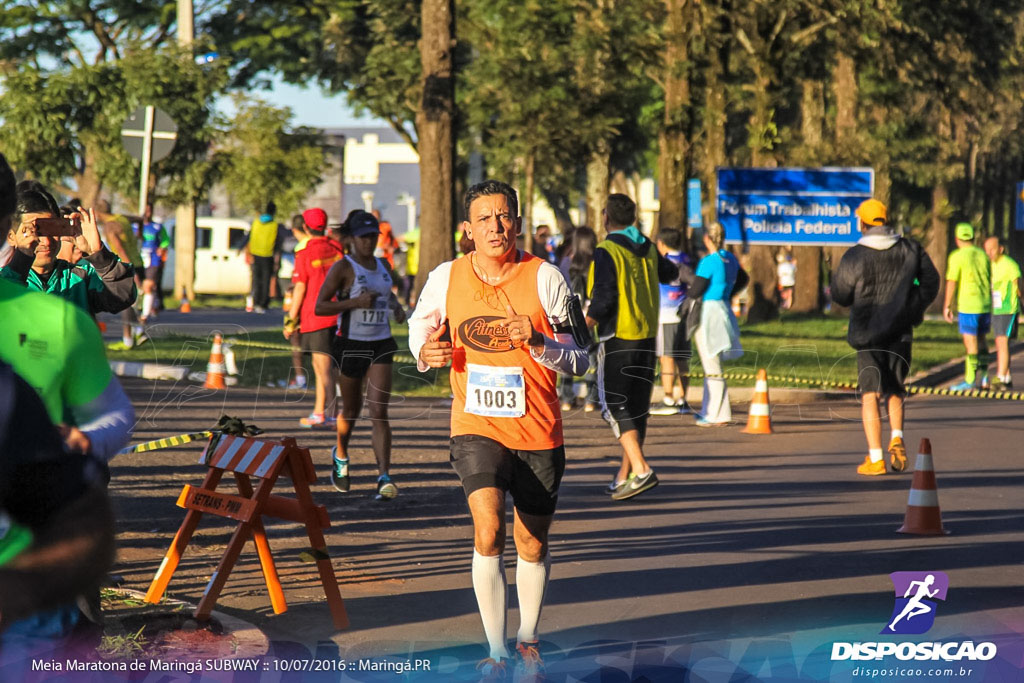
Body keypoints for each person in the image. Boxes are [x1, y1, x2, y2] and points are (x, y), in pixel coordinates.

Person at [409, 180, 588, 679]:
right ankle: (496, 650)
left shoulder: (546, 278)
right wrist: (425, 352)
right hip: (476, 425)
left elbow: (580, 359)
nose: (495, 226)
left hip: (538, 430)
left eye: (504, 216)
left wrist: (537, 341)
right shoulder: (446, 277)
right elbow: (418, 327)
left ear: (517, 221)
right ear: (467, 229)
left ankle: (528, 638)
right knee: (488, 531)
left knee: (531, 543)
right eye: (484, 218)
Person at [831, 199, 939, 476]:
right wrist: (913, 307)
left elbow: (841, 295)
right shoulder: (910, 248)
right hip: (900, 331)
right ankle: (897, 436)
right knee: (895, 389)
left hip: (867, 334)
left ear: (863, 223)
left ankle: (876, 458)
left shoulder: (855, 255)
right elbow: (931, 281)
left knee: (870, 394)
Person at [586, 194, 678, 501]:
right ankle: (624, 476)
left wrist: (585, 323)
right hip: (647, 338)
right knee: (637, 409)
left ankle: (641, 468)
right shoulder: (649, 248)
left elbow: (604, 296)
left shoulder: (606, 249)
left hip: (618, 336)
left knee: (613, 405)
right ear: (634, 219)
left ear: (606, 218)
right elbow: (671, 273)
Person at [316, 211, 406, 499]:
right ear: (351, 239)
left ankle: (384, 477)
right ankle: (341, 455)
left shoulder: (383, 265)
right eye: (363, 237)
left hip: (381, 342)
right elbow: (320, 306)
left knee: (379, 411)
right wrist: (354, 302)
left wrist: (395, 306)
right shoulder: (343, 267)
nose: (369, 242)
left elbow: (386, 292)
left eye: (373, 237)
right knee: (351, 412)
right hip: (351, 343)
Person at [2, 185, 137, 318]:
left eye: (51, 229)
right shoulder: (5, 280)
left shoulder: (82, 276)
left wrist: (99, 255)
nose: (46, 241)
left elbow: (123, 296)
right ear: (11, 237)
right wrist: (22, 259)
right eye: (35, 231)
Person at [284, 208, 344, 427]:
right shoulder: (337, 249)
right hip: (338, 313)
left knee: (322, 367)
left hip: (315, 315)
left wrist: (291, 319)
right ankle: (326, 411)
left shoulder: (305, 253)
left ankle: (326, 412)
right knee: (327, 367)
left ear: (307, 228)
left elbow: (300, 288)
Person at [689, 223, 746, 426]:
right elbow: (743, 277)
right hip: (724, 308)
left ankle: (717, 413)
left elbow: (696, 290)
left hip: (709, 313)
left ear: (707, 239)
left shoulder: (709, 262)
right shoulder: (730, 258)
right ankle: (708, 408)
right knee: (713, 363)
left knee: (711, 364)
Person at [650, 227, 694, 416]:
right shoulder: (687, 260)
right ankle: (683, 398)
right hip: (683, 315)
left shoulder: (663, 261)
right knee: (682, 358)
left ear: (661, 243)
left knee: (666, 357)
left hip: (666, 315)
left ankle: (668, 398)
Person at [943, 222, 992, 391]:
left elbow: (952, 281)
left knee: (970, 342)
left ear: (957, 239)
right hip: (985, 304)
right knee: (982, 340)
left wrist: (947, 305)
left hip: (968, 305)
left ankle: (970, 380)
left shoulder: (957, 256)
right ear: (972, 237)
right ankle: (985, 378)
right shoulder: (983, 255)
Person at [558, 227, 599, 412]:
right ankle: (591, 399)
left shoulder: (567, 262)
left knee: (568, 356)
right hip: (591, 315)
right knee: (592, 357)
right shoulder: (597, 262)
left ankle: (566, 398)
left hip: (569, 316)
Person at [95, 198, 146, 346]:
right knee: (132, 302)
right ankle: (136, 332)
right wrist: (140, 235)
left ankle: (128, 339)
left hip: (126, 264)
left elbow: (120, 249)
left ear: (98, 213)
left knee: (126, 303)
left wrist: (130, 270)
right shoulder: (122, 218)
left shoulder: (109, 227)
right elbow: (140, 219)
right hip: (138, 261)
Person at [983, 236, 1021, 389]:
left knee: (1002, 341)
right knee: (1000, 343)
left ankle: (1000, 377)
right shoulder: (989, 265)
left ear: (1000, 249)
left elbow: (1019, 287)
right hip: (995, 309)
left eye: (992, 249)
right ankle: (1006, 375)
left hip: (1007, 309)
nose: (989, 253)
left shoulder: (1010, 265)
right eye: (986, 250)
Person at [283, 214, 310, 390]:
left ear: (294, 230)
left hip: (304, 302)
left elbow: (300, 283)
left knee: (296, 340)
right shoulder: (324, 244)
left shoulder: (302, 248)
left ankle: (300, 377)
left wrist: (290, 319)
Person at [242, 201, 284, 313]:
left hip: (255, 254)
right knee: (266, 281)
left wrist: (240, 248)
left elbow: (248, 237)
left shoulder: (256, 222)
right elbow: (278, 242)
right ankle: (263, 303)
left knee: (256, 280)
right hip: (268, 255)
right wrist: (277, 257)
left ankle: (255, 302)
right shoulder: (274, 225)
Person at [139, 203, 170, 323]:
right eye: (145, 211)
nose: (147, 213)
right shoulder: (135, 227)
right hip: (139, 259)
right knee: (142, 287)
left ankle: (144, 316)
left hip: (153, 259)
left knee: (148, 285)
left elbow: (166, 240)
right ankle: (154, 302)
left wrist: (162, 247)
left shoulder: (157, 227)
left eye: (149, 211)